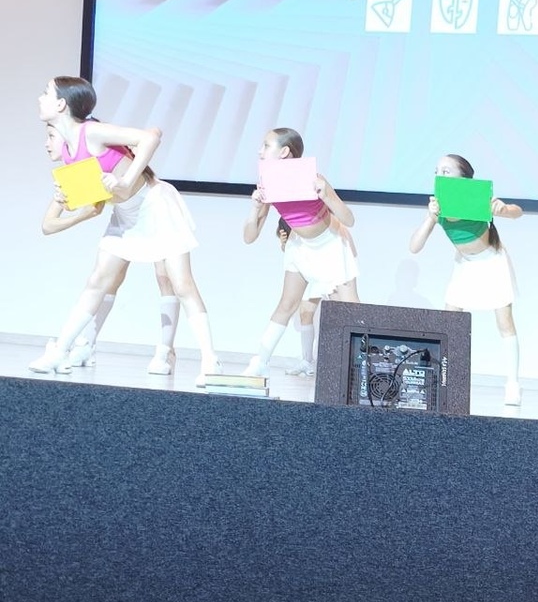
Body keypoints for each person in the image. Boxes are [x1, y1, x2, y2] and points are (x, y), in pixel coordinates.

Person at [32, 76, 219, 386]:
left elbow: (150, 138)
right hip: (125, 213)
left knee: (180, 282)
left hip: (155, 204)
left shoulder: (91, 132)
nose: (40, 98)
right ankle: (62, 349)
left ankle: (210, 359)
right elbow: (92, 206)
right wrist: (74, 200)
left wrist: (126, 179)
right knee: (97, 280)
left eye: (46, 93)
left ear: (62, 104)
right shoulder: (67, 151)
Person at [39, 124, 181, 374]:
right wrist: (82, 214)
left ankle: (165, 352)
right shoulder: (73, 170)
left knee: (165, 277)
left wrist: (129, 170)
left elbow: (153, 133)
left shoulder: (98, 145)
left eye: (51, 136)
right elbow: (48, 225)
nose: (47, 143)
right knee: (106, 279)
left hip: (153, 206)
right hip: (125, 216)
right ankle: (84, 344)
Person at [242, 128, 359, 377]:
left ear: (284, 152)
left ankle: (363, 368)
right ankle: (260, 361)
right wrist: (255, 207)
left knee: (352, 310)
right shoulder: (267, 184)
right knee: (287, 303)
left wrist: (327, 196)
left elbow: (349, 219)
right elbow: (249, 237)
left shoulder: (314, 178)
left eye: (266, 146)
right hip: (300, 246)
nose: (260, 151)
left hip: (330, 244)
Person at [409, 154, 523, 406]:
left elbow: (518, 212)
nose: (440, 175)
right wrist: (430, 217)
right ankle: (447, 380)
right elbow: (414, 246)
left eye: (447, 171)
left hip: (492, 262)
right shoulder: (438, 207)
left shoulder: (477, 198)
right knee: (450, 321)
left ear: (463, 178)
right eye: (437, 171)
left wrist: (502, 209)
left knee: (504, 322)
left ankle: (513, 384)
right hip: (465, 264)